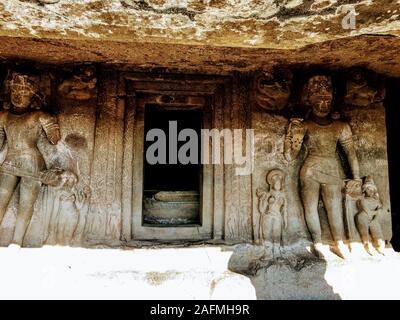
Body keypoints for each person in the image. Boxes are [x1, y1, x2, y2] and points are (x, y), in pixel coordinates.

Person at [284, 75, 361, 258]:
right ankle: (317, 241)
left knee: (334, 208)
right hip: (310, 171)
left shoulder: (341, 127)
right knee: (310, 208)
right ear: (309, 99)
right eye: (319, 99)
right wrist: (293, 135)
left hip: (332, 169)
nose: (324, 103)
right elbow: (290, 157)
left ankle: (338, 241)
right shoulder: (305, 125)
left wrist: (357, 177)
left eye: (327, 99)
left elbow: (351, 154)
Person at [0, 71, 60, 247]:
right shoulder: (3, 116)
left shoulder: (39, 116)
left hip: (32, 163)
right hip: (10, 161)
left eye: (24, 92)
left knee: (26, 204)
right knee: (1, 199)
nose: (18, 96)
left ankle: (17, 241)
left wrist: (50, 122)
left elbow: (54, 139)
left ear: (33, 96)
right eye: (15, 92)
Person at [256, 169, 287, 257]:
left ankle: (277, 252)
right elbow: (262, 210)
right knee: (267, 234)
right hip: (268, 216)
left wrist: (285, 219)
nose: (277, 185)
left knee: (276, 234)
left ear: (281, 184)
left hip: (278, 217)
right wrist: (261, 199)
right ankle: (268, 252)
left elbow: (285, 209)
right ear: (272, 184)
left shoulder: (283, 195)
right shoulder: (268, 194)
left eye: (279, 183)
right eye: (276, 183)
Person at [355, 176, 385, 255]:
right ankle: (367, 245)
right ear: (365, 190)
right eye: (368, 189)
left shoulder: (376, 201)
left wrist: (376, 216)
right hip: (363, 217)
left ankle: (379, 246)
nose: (371, 191)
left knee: (376, 230)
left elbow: (381, 210)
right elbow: (368, 212)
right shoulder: (362, 200)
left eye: (372, 190)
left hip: (373, 219)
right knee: (365, 234)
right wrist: (377, 212)